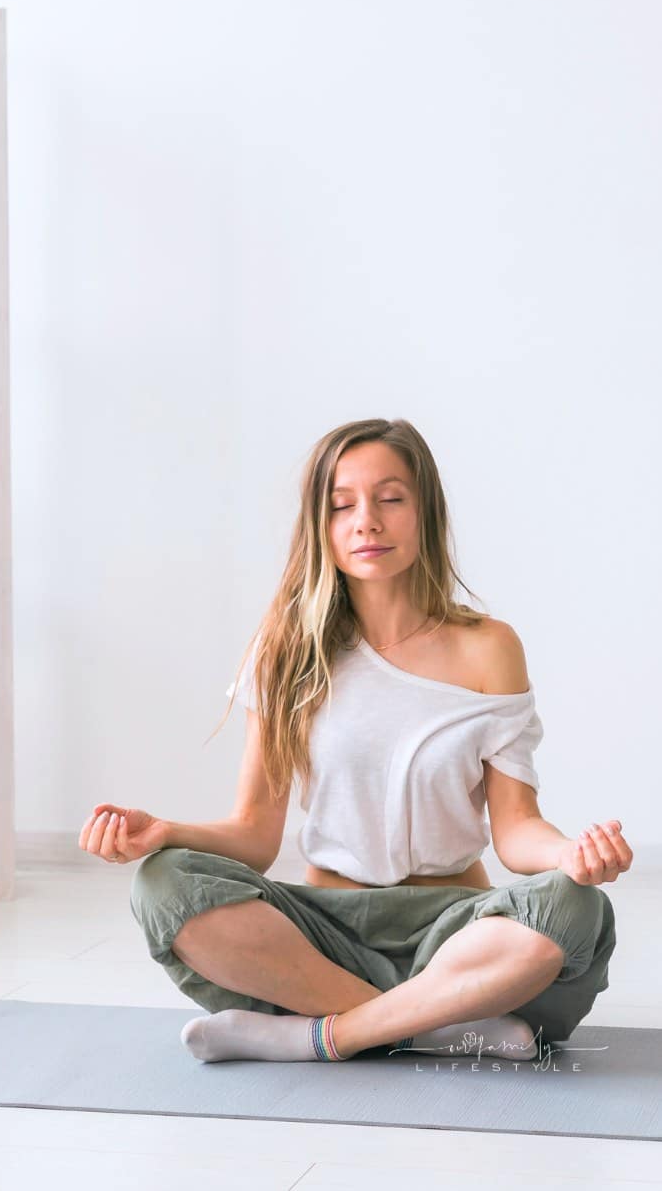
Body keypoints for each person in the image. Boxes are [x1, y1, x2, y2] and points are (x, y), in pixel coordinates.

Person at [79, 418, 628, 1064]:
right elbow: (255, 834)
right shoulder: (285, 651)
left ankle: (325, 1034)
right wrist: (162, 832)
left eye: (391, 499)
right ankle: (432, 1023)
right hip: (323, 934)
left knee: (574, 906)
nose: (366, 521)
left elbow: (516, 830)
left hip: (456, 932)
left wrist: (573, 854)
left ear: (427, 513)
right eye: (342, 506)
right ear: (322, 525)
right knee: (163, 883)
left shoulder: (489, 647)